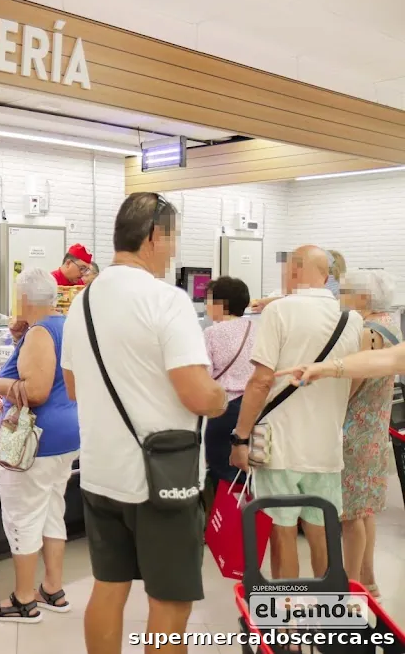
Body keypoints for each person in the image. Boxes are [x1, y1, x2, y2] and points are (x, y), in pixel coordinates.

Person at [62, 193, 228, 654]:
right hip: (163, 480)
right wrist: (219, 397)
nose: (173, 249)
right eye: (172, 238)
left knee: (108, 588)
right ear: (154, 236)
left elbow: (74, 387)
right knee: (170, 603)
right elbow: (197, 393)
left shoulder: (82, 302)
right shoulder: (166, 300)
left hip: (100, 474)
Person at [229, 246, 363, 582]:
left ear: (293, 271)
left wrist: (240, 437)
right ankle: (327, 613)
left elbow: (260, 382)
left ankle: (287, 623)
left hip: (278, 444)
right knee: (322, 531)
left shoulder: (279, 312)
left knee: (282, 531)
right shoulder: (352, 318)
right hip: (326, 446)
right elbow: (355, 376)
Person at [283, 269, 399, 597]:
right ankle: (368, 578)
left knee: (349, 514)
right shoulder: (391, 325)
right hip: (375, 426)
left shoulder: (368, 331)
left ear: (363, 297)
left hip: (354, 431)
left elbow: (353, 383)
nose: (341, 296)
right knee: (364, 511)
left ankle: (352, 584)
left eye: (347, 291)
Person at [0, 267, 80, 624]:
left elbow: (34, 392)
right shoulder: (64, 325)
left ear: (22, 299)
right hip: (66, 435)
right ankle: (52, 588)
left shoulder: (40, 333)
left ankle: (23, 600)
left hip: (35, 442)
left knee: (22, 515)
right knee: (51, 510)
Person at [202, 277, 256, 488]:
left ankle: (226, 518)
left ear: (220, 304)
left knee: (223, 473)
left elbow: (204, 375)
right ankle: (250, 518)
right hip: (255, 408)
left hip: (224, 410)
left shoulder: (212, 333)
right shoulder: (257, 328)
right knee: (248, 473)